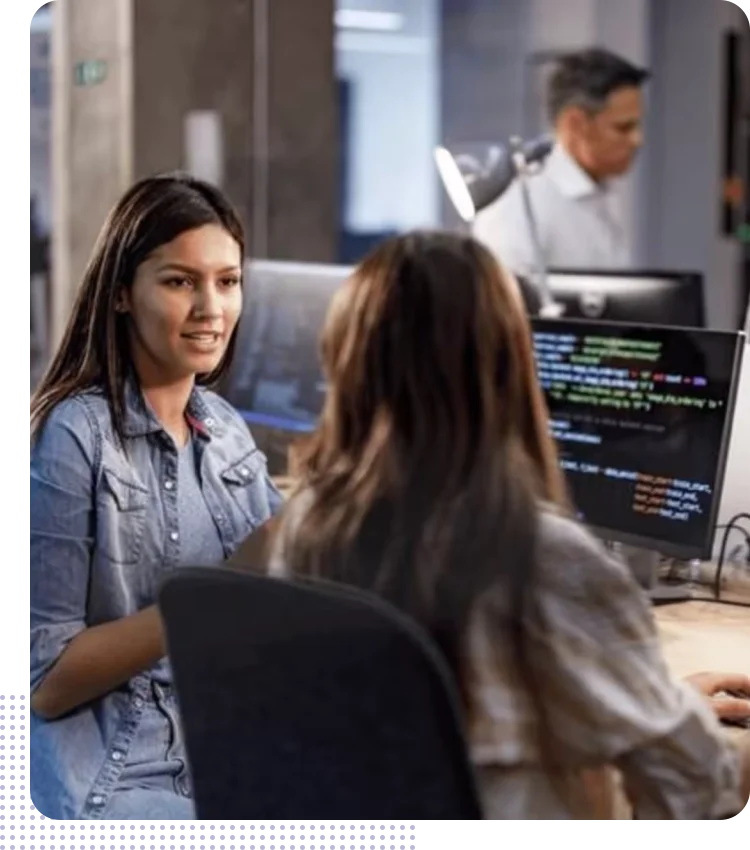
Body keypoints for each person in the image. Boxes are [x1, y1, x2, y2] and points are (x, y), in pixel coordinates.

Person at [253, 231, 749, 823]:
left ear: (347, 359)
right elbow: (692, 786)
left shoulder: (310, 526)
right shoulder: (544, 555)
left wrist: (648, 703)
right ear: (510, 363)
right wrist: (661, 715)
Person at [28, 173, 284, 822]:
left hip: (223, 750)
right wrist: (212, 598)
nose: (211, 308)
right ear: (120, 294)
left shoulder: (223, 428)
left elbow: (281, 592)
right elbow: (45, 686)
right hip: (112, 775)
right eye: (179, 281)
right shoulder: (73, 435)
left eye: (227, 282)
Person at [473, 47, 648, 277]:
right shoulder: (521, 208)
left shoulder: (603, 197)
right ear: (575, 124)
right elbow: (503, 307)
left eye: (637, 126)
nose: (637, 140)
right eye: (623, 128)